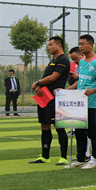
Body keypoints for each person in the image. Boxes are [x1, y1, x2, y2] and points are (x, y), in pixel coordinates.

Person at [28, 37, 71, 165]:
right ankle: (45, 156)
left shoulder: (63, 60)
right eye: (48, 45)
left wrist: (37, 82)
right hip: (44, 98)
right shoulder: (53, 61)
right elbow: (46, 78)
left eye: (51, 45)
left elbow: (53, 77)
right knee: (44, 125)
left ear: (59, 45)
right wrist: (39, 87)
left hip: (54, 98)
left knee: (58, 125)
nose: (49, 47)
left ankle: (63, 157)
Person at [67, 34, 96, 168]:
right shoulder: (81, 62)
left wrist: (93, 91)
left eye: (83, 44)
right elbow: (81, 80)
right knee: (79, 131)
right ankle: (80, 158)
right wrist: (67, 90)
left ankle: (95, 159)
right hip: (80, 103)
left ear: (91, 45)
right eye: (79, 44)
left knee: (92, 131)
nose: (80, 46)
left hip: (92, 103)